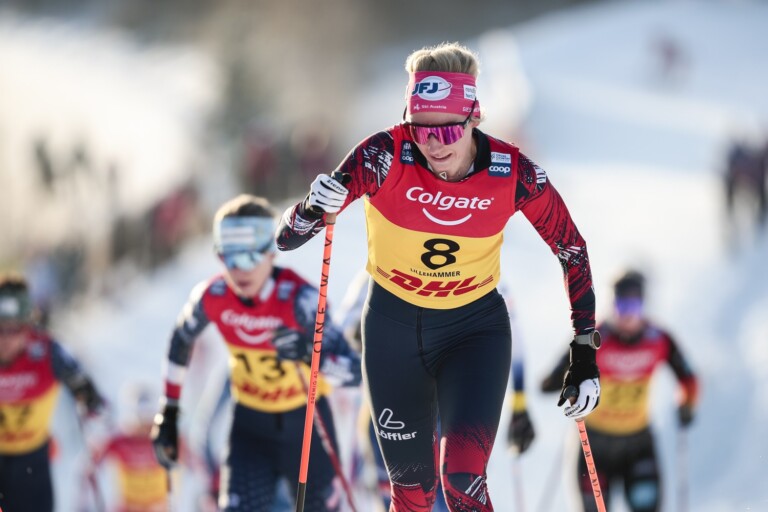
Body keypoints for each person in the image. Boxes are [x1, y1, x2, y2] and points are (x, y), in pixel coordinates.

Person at [276, 41, 599, 511]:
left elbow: (571, 248)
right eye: (420, 130)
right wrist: (310, 207)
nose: (433, 145)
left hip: (474, 332)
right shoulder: (384, 154)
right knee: (411, 496)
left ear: (473, 118)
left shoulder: (513, 173)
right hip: (392, 331)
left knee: (463, 483)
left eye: (447, 131)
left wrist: (585, 350)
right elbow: (287, 239)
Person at [150, 194, 362, 512]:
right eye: (229, 258)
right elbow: (180, 339)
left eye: (251, 257)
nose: (240, 270)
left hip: (306, 425)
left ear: (270, 253)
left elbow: (354, 371)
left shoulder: (300, 299)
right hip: (250, 426)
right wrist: (168, 413)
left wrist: (308, 353)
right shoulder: (213, 296)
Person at [339, 271, 536, 511]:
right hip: (396, 401)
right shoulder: (383, 267)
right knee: (403, 494)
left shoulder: (484, 267)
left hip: (448, 401)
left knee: (453, 488)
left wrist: (520, 402)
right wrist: (358, 339)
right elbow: (339, 334)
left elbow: (509, 332)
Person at [540, 269, 699, 512]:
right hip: (595, 444)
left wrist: (687, 403)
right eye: (621, 306)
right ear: (611, 305)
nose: (627, 316)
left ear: (644, 306)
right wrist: (564, 382)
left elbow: (688, 378)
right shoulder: (593, 338)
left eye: (634, 307)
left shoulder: (658, 339)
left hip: (638, 444)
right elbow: (553, 380)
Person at [0, 272, 105, 512]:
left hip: (32, 462)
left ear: (28, 326)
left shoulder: (48, 351)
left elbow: (89, 391)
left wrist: (86, 394)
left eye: (14, 330)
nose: (5, 340)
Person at [89, 383, 170, 512]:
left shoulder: (165, 439)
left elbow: (195, 462)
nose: (146, 427)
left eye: (149, 418)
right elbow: (90, 465)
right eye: (141, 419)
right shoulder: (119, 440)